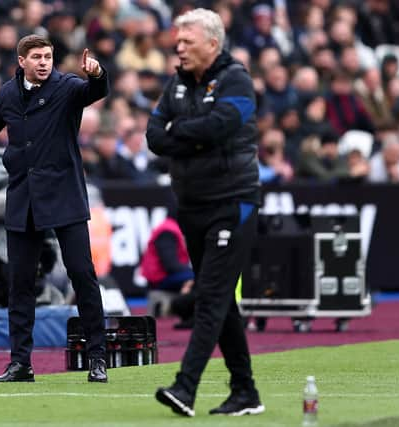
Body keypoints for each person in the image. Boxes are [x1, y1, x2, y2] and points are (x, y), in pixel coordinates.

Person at [0, 35, 109, 383]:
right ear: (22, 60)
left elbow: (96, 92)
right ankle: (20, 363)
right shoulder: (8, 94)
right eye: (37, 57)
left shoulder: (69, 87)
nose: (44, 62)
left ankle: (97, 358)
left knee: (82, 275)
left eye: (49, 56)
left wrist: (98, 73)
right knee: (20, 283)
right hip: (24, 198)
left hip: (64, 196)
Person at [146, 9, 264, 417]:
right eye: (177, 41)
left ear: (212, 44)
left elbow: (222, 126)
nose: (178, 48)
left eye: (187, 41)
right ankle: (245, 391)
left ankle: (185, 386)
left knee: (211, 296)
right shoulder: (176, 85)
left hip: (233, 202)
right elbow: (153, 136)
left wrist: (179, 133)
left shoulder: (236, 79)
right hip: (192, 205)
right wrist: (188, 136)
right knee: (220, 300)